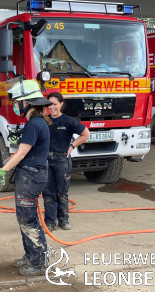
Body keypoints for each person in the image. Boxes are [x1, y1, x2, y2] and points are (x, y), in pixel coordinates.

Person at [0, 80, 52, 276]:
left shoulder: (34, 124)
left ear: (26, 103)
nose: (15, 105)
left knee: (28, 220)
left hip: (31, 176)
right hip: (30, 175)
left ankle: (38, 263)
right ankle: (30, 256)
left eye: (17, 102)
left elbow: (20, 154)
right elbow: (24, 149)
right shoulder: (35, 123)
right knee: (24, 218)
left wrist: (3, 171)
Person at [42, 92, 90, 232]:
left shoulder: (68, 121)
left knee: (62, 192)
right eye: (49, 104)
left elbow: (85, 134)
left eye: (55, 104)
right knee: (49, 193)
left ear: (61, 104)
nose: (52, 107)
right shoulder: (45, 121)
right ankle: (50, 222)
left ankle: (63, 220)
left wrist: (72, 146)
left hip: (62, 160)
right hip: (47, 161)